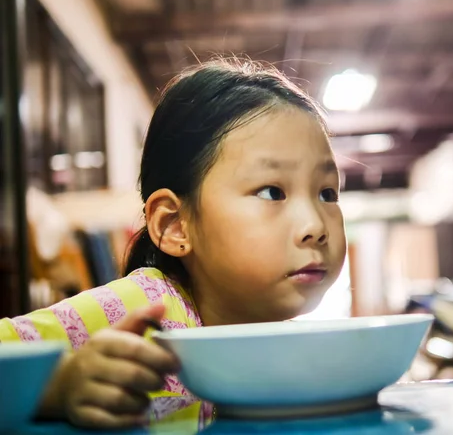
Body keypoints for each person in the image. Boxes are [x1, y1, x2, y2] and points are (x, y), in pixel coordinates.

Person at [0, 59, 347, 429]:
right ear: (175, 225)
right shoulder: (144, 308)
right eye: (271, 191)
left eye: (327, 193)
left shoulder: (292, 345)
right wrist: (56, 385)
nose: (315, 226)